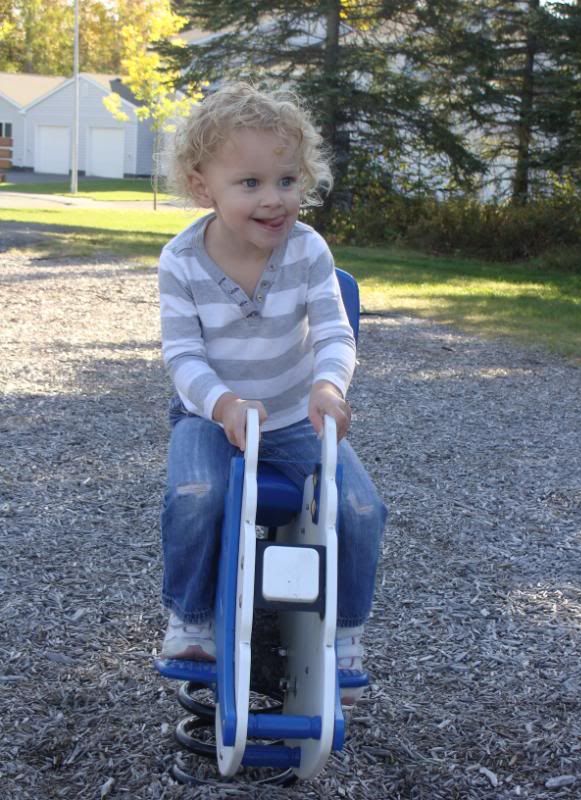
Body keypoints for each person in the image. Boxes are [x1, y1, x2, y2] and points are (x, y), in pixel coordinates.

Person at [158, 83, 387, 704]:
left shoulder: (308, 249)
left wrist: (328, 384)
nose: (273, 199)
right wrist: (224, 404)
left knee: (361, 508)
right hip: (211, 415)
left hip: (289, 415)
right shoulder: (181, 261)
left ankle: (341, 636)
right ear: (203, 186)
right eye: (250, 183)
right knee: (198, 492)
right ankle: (192, 620)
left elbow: (335, 331)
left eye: (286, 179)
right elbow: (182, 356)